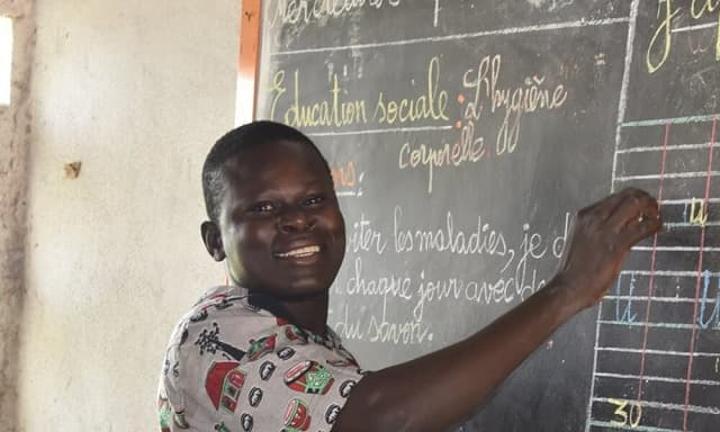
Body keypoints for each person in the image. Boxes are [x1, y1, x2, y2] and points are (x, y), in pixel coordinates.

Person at [157, 121, 661, 432]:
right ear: (215, 240)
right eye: (264, 208)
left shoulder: (309, 345)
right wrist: (566, 291)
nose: (297, 221)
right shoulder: (214, 338)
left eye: (313, 200)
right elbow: (386, 417)